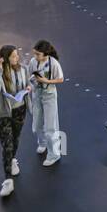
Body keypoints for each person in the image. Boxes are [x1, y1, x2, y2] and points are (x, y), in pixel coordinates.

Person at [0, 45, 32, 198]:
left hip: (20, 109)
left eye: (17, 55)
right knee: (7, 145)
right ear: (6, 58)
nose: (17, 58)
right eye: (13, 56)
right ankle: (8, 180)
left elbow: (29, 84)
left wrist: (28, 88)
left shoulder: (23, 69)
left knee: (15, 139)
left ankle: (13, 159)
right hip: (5, 113)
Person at [29, 39, 65, 167]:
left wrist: (46, 81)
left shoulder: (53, 63)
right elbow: (30, 77)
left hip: (49, 96)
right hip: (37, 94)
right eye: (35, 53)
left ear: (45, 54)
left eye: (38, 54)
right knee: (37, 123)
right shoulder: (33, 62)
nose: (35, 57)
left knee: (51, 127)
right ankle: (42, 142)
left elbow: (60, 79)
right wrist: (32, 83)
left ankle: (54, 154)